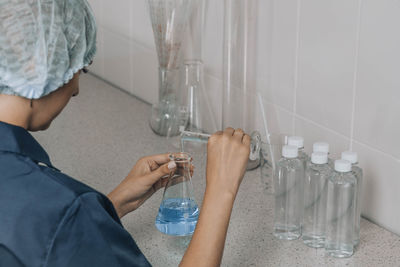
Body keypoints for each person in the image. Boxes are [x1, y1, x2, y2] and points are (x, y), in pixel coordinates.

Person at [0, 1, 250, 266]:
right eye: (80, 68)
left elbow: (35, 233)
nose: (76, 89)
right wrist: (222, 188)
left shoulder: (39, 195)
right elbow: (55, 224)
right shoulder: (64, 209)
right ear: (40, 66)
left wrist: (108, 206)